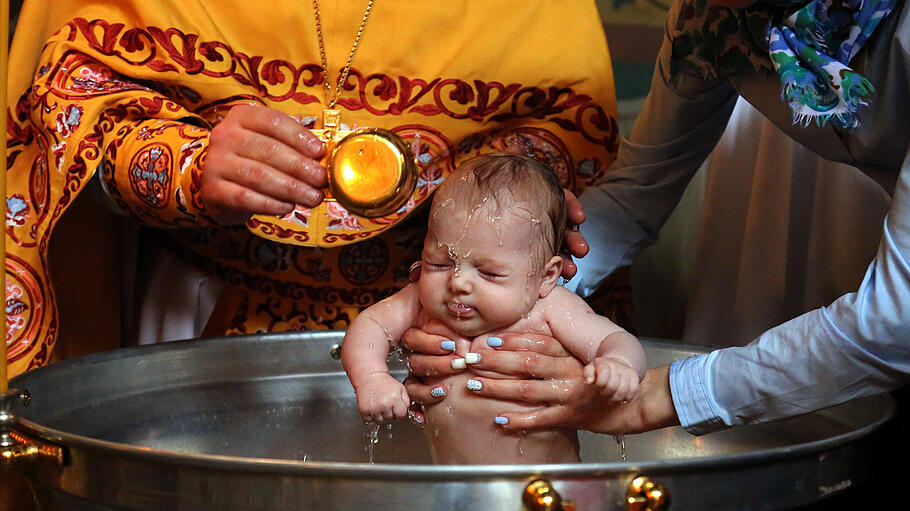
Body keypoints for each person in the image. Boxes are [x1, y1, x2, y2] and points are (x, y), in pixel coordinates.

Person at [4, 0, 619, 377]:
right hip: (198, 310)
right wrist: (185, 164)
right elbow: (66, 100)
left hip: (453, 322)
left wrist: (511, 190)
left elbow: (567, 120)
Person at [401, 0, 910, 440]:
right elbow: (637, 193)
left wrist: (650, 397)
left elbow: (894, 324)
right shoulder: (709, 19)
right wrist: (514, 294)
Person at [341, 153, 645, 464]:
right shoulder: (420, 298)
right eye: (440, 263)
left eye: (488, 273)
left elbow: (615, 340)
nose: (458, 282)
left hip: (550, 490)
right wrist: (372, 377)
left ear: (545, 276)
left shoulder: (550, 308)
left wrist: (618, 364)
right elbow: (370, 327)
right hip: (455, 490)